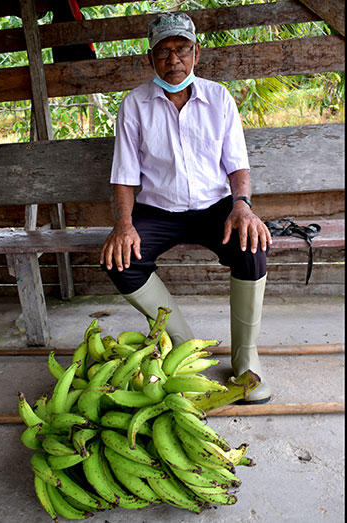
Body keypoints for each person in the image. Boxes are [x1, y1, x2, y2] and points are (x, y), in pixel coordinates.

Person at [99, 12, 272, 404]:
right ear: (150, 59)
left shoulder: (219, 98)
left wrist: (242, 206)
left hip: (216, 207)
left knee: (252, 247)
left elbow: (237, 164)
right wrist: (124, 224)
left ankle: (246, 357)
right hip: (158, 210)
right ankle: (183, 343)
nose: (173, 59)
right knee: (120, 259)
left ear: (196, 52)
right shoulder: (135, 105)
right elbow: (124, 175)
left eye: (181, 49)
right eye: (163, 51)